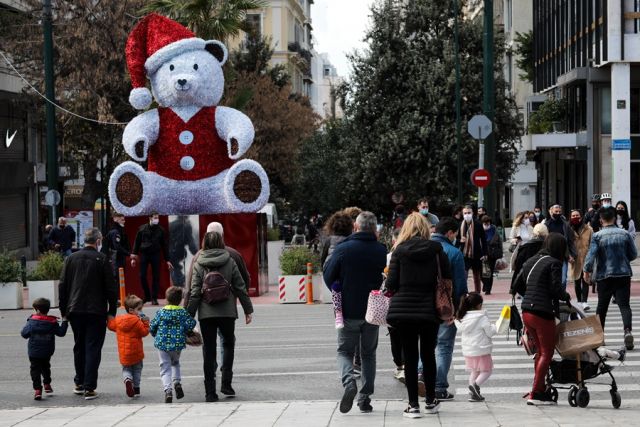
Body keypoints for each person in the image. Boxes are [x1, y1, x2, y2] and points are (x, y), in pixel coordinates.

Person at [385, 213, 451, 418]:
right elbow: (447, 278)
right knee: (429, 356)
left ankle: (413, 405)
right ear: (425, 228)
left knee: (410, 358)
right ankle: (431, 401)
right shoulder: (437, 250)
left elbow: (391, 285)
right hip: (430, 310)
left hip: (403, 311)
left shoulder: (399, 252)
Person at [323, 211, 387, 414]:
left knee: (344, 351)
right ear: (374, 228)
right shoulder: (380, 250)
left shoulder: (344, 249)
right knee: (368, 354)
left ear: (356, 227)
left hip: (348, 309)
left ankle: (349, 382)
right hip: (373, 310)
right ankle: (365, 398)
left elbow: (328, 274)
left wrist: (338, 288)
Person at [187, 231, 254, 402]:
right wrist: (248, 309)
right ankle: (226, 383)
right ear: (221, 242)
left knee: (208, 350)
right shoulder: (229, 261)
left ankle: (210, 392)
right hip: (227, 311)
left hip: (206, 313)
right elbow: (240, 286)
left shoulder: (198, 263)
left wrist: (189, 317)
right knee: (228, 344)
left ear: (204, 243)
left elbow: (195, 292)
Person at [511, 233, 571, 406]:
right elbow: (555, 289)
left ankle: (541, 388)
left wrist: (531, 295)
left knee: (540, 352)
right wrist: (565, 295)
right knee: (547, 352)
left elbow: (518, 285)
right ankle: (536, 392)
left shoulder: (531, 260)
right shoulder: (554, 263)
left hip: (527, 311)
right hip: (542, 312)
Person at [58, 227, 117, 400]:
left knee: (79, 346)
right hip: (96, 311)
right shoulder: (102, 259)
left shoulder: (71, 258)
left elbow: (63, 286)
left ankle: (79, 382)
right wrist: (111, 312)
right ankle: (90, 387)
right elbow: (111, 289)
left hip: (74, 309)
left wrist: (64, 311)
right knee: (93, 347)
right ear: (98, 241)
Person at [584, 206, 637, 350]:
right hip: (623, 274)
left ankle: (599, 338)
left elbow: (591, 256)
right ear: (614, 218)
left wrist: (586, 271)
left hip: (604, 276)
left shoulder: (597, 236)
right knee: (624, 306)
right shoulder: (625, 234)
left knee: (602, 307)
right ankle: (627, 331)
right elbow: (633, 254)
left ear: (601, 220)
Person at [431, 218, 468, 401]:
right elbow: (460, 286)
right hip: (446, 306)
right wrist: (460, 309)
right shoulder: (454, 253)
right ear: (450, 233)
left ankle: (422, 375)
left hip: (422, 305)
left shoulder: (422, 247)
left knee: (426, 343)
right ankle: (439, 387)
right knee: (444, 346)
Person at [184, 221, 251, 307]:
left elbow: (190, 286)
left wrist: (186, 309)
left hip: (206, 309)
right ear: (222, 235)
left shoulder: (198, 256)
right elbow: (245, 279)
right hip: (228, 307)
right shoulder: (234, 254)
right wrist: (244, 303)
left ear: (206, 235)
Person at [150, 286, 196, 403]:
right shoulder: (182, 312)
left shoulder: (161, 312)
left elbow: (152, 326)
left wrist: (155, 334)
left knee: (164, 368)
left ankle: (168, 390)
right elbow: (191, 324)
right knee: (175, 363)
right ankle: (177, 383)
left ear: (166, 299)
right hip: (177, 344)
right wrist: (186, 331)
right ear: (179, 300)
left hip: (162, 344)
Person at [21, 297, 68, 400]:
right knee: (46, 367)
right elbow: (61, 333)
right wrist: (65, 321)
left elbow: (24, 334)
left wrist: (28, 321)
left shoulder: (32, 322)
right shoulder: (52, 322)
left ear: (37, 310)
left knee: (35, 369)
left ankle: (38, 390)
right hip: (47, 351)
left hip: (34, 352)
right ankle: (47, 383)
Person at [455, 293, 496, 402]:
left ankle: (473, 394)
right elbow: (490, 332)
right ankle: (475, 386)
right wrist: (495, 326)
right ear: (479, 305)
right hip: (481, 349)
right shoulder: (481, 317)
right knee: (487, 371)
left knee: (474, 371)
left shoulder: (462, 318)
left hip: (469, 350)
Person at [107, 294, 150, 398]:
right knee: (137, 370)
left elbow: (110, 326)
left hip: (124, 354)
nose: (141, 311)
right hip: (136, 353)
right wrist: (146, 322)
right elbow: (144, 332)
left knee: (126, 369)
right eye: (139, 309)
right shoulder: (137, 321)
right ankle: (136, 389)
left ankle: (127, 380)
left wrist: (109, 317)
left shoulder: (118, 321)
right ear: (131, 310)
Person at [320, 211, 354, 329]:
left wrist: (323, 268)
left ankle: (338, 313)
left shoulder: (329, 240)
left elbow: (323, 257)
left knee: (336, 287)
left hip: (332, 270)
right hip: (346, 270)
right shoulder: (351, 240)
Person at [131, 213, 173, 305]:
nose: (156, 219)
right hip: (144, 254)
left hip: (155, 255)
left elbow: (164, 246)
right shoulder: (142, 229)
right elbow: (136, 243)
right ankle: (147, 296)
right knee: (142, 276)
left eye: (157, 218)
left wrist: (167, 260)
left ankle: (154, 298)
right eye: (155, 218)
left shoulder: (161, 230)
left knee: (156, 276)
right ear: (150, 218)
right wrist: (133, 257)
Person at [543, 205, 577, 289]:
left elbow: (570, 241)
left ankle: (561, 297)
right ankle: (553, 299)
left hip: (563, 255)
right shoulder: (546, 225)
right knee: (551, 278)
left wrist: (572, 254)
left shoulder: (565, 225)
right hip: (549, 255)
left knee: (563, 280)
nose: (558, 213)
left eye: (559, 212)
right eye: (556, 211)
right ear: (551, 212)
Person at [457, 205, 487, 293]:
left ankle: (477, 293)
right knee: (464, 275)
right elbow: (455, 238)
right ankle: (464, 292)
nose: (467, 215)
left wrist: (485, 253)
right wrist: (460, 240)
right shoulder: (460, 225)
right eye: (465, 213)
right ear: (462, 214)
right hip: (464, 253)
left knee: (477, 276)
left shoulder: (478, 224)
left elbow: (483, 239)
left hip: (476, 253)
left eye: (469, 213)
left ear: (472, 213)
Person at [567, 209, 593, 311]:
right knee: (577, 281)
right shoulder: (568, 229)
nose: (575, 217)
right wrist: (569, 256)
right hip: (575, 259)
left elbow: (592, 244)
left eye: (577, 215)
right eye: (573, 216)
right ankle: (578, 301)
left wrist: (591, 257)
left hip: (586, 258)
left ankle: (584, 301)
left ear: (581, 217)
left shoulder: (588, 229)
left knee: (585, 280)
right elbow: (567, 244)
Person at [168, 215, 198, 287]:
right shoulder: (186, 226)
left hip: (169, 252)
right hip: (178, 252)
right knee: (176, 270)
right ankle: (179, 284)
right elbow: (191, 242)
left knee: (175, 268)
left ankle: (177, 284)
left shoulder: (171, 224)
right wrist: (197, 253)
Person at [102, 213, 131, 278]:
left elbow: (126, 244)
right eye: (122, 220)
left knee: (119, 277)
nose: (124, 221)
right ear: (115, 219)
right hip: (115, 259)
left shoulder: (120, 231)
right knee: (116, 277)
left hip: (117, 258)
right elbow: (117, 246)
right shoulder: (115, 232)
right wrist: (129, 254)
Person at [480, 215, 503, 295]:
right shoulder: (479, 229)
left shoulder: (494, 229)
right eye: (485, 223)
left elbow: (500, 242)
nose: (486, 224)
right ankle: (485, 284)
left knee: (490, 272)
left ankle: (488, 289)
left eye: (488, 222)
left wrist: (500, 254)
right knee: (481, 272)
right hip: (482, 253)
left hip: (492, 254)